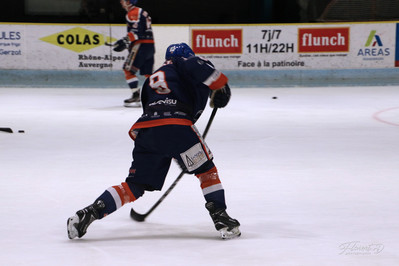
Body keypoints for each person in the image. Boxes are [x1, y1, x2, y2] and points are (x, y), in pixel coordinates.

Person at [67, 43, 240, 240]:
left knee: (134, 185)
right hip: (177, 127)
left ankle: (89, 213)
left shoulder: (152, 78)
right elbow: (196, 66)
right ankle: (221, 218)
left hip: (147, 132)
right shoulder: (185, 61)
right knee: (206, 171)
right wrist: (221, 86)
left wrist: (170, 148)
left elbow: (151, 107)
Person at [113, 0, 155, 107]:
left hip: (141, 45)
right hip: (150, 46)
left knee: (128, 70)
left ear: (129, 2)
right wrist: (126, 41)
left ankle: (136, 94)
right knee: (148, 73)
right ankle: (155, 96)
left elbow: (138, 31)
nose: (121, 3)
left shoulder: (133, 12)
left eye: (123, 1)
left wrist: (125, 41)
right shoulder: (141, 11)